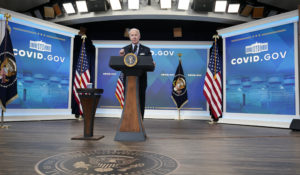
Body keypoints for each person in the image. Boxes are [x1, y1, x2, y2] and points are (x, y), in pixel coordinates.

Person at [119, 28, 154, 120]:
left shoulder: (146, 50)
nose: (134, 37)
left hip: (141, 80)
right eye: (132, 35)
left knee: (140, 100)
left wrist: (151, 63)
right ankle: (128, 120)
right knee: (129, 100)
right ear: (129, 37)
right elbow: (121, 65)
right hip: (128, 80)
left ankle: (140, 121)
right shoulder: (125, 49)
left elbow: (150, 63)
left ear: (139, 36)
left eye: (136, 35)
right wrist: (121, 57)